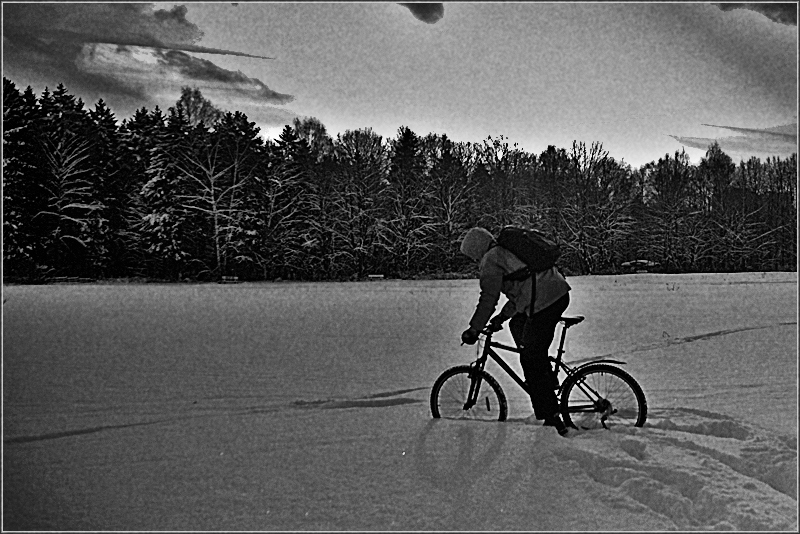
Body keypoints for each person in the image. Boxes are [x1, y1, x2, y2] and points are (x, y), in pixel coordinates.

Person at [459, 227, 572, 436]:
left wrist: (474, 329)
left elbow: (488, 298)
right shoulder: (505, 253)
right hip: (556, 293)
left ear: (476, 249)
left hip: (546, 300)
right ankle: (545, 379)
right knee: (518, 326)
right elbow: (520, 292)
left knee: (531, 358)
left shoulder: (491, 260)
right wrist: (502, 318)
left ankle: (552, 416)